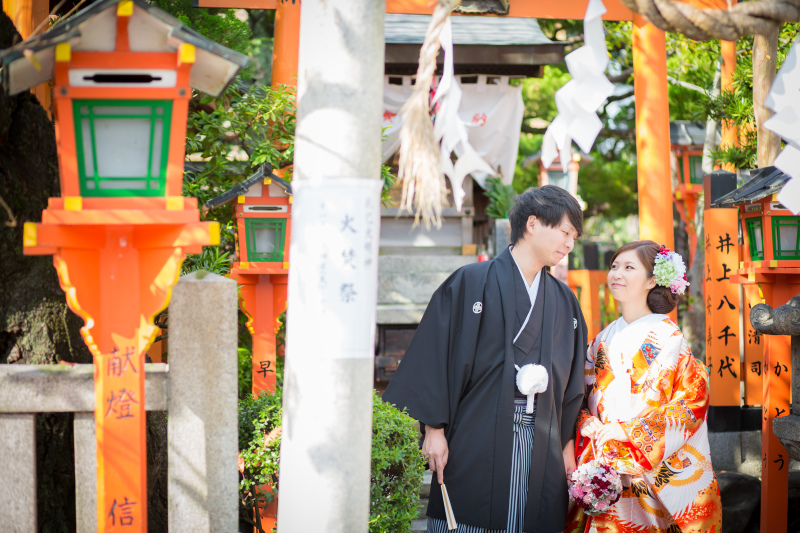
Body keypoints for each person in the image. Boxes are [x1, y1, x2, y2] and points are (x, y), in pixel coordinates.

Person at [383, 185, 588, 533]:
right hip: (475, 430)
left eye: (574, 237)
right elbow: (436, 355)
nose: (569, 244)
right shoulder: (470, 282)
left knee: (532, 516)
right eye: (565, 232)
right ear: (533, 224)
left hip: (543, 438)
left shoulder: (563, 299)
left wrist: (567, 444)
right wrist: (434, 428)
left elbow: (572, 381)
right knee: (470, 515)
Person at [566, 241, 723, 533]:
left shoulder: (669, 339)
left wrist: (629, 431)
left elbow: (692, 402)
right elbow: (580, 394)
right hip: (604, 465)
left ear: (652, 280)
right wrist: (585, 420)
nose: (616, 273)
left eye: (629, 267)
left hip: (648, 467)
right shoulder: (601, 339)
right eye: (614, 266)